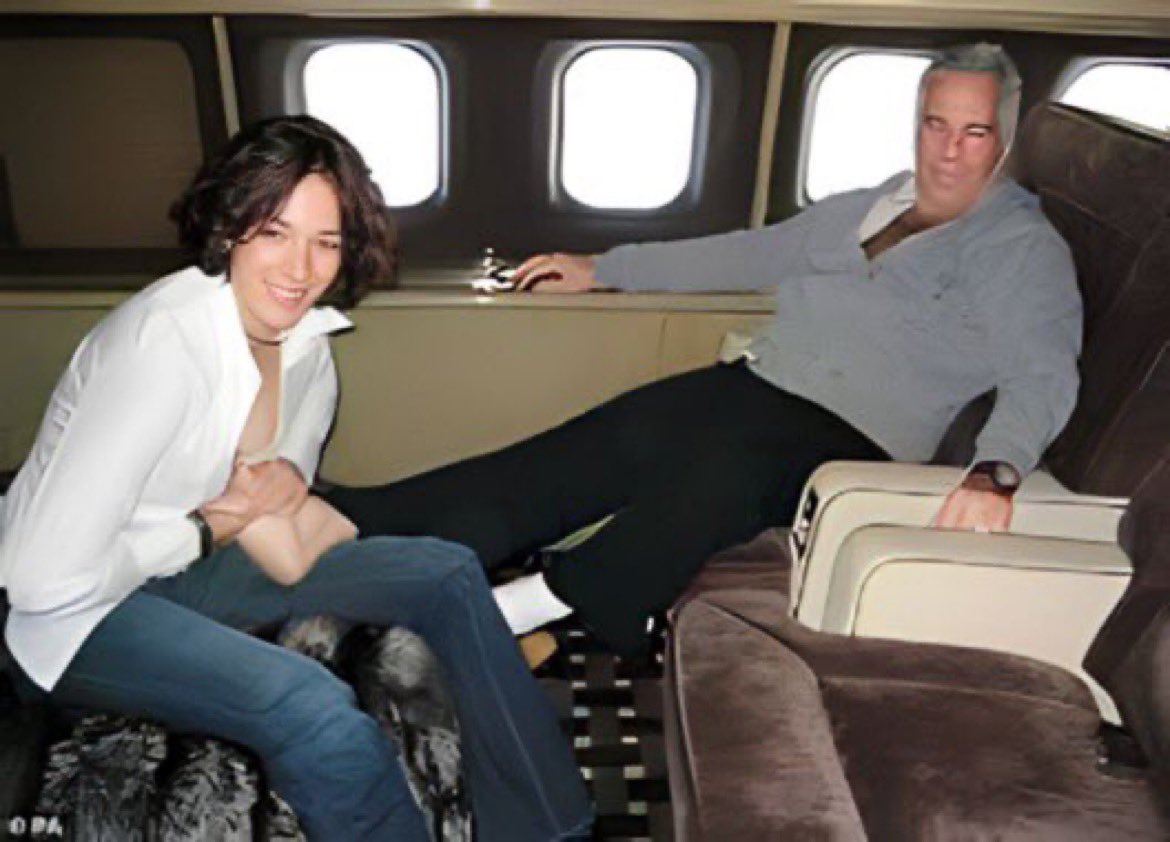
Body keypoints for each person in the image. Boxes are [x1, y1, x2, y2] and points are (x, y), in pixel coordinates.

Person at [323, 43, 1082, 660]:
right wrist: (603, 269)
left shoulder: (1021, 247)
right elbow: (744, 254)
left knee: (719, 476)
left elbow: (1043, 371)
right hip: (758, 385)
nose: (948, 151)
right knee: (597, 441)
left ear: (1004, 139)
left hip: (856, 440)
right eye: (936, 124)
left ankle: (511, 613)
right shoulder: (870, 204)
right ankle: (362, 521)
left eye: (974, 132)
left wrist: (997, 470)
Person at [0, 115, 592, 841]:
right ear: (229, 227)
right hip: (74, 622)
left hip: (195, 571)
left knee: (446, 573)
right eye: (275, 232)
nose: (300, 269)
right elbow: (40, 583)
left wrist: (270, 515)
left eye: (326, 242)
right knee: (310, 708)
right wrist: (205, 529)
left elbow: (284, 531)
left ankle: (554, 830)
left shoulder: (309, 347)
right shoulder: (161, 348)